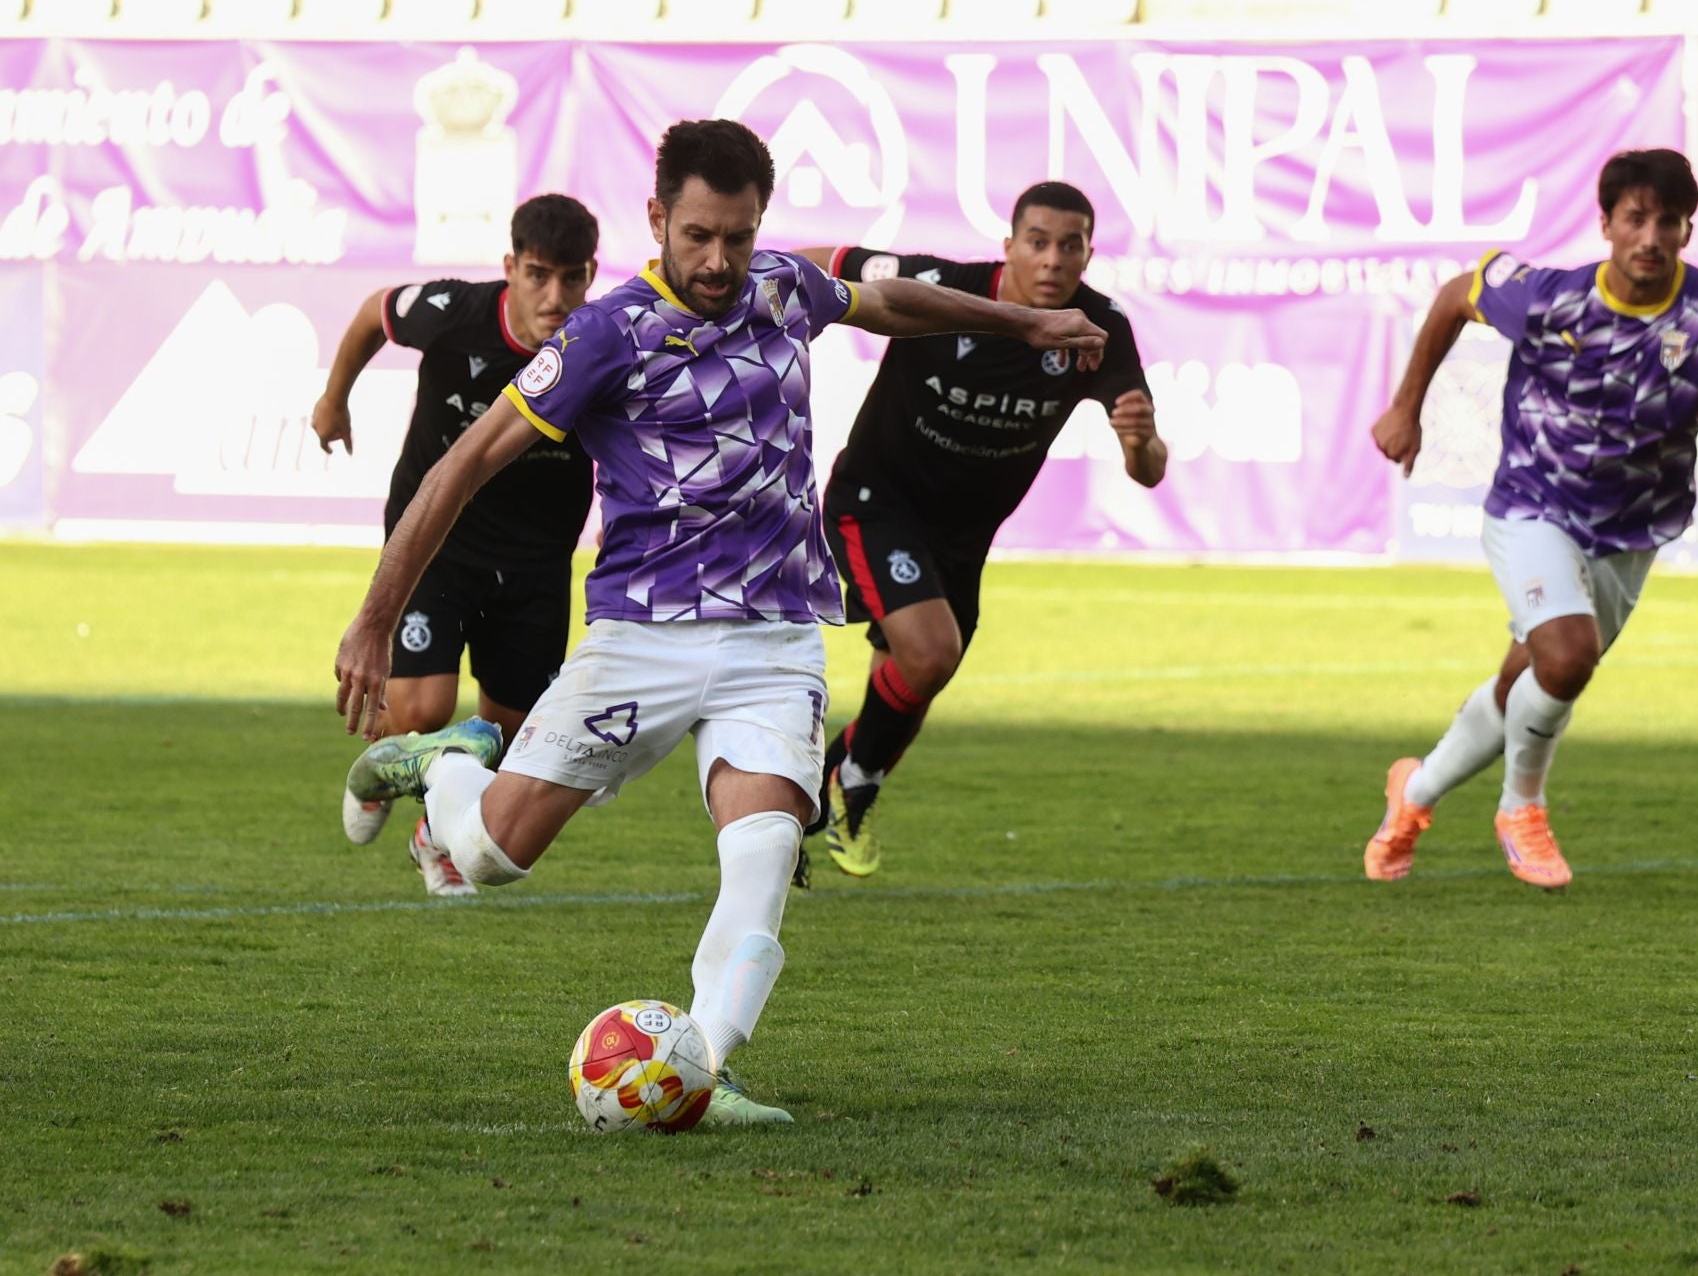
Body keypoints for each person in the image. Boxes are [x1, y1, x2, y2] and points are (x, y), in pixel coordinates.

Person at [330, 119, 1108, 1124]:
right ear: (656, 220)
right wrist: (374, 620)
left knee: (766, 848)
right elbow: (461, 467)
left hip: (773, 638)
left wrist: (1026, 325)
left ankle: (705, 1069)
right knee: (487, 858)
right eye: (696, 235)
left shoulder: (784, 288)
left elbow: (891, 304)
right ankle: (446, 761)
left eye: (736, 237)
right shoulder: (605, 334)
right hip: (643, 639)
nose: (718, 260)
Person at [1365, 148, 1698, 889]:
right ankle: (1522, 809)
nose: (1650, 236)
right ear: (1605, 223)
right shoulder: (1551, 298)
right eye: (1635, 218)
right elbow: (1457, 293)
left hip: (1633, 531)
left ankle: (1411, 797)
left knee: (1533, 672)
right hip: (1532, 504)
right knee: (1569, 657)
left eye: (1667, 221)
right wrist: (1405, 405)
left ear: (1686, 231)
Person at [794, 181, 1164, 882]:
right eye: (1038, 241)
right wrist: (753, 276)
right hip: (876, 500)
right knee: (931, 652)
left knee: (911, 679)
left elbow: (1147, 470)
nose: (1053, 259)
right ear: (1009, 246)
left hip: (964, 538)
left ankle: (823, 791)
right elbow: (828, 261)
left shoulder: (1099, 327)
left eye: (1071, 244)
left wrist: (1140, 440)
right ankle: (844, 783)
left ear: (1088, 252)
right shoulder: (941, 288)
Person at [312, 194, 600, 897]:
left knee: (504, 744)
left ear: (591, 274)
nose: (554, 296)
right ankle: (384, 763)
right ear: (510, 268)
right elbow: (373, 313)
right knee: (422, 710)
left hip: (536, 564)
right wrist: (334, 397)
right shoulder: (454, 313)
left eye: (571, 278)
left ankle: (429, 832)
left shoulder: (605, 346)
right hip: (440, 544)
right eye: (537, 275)